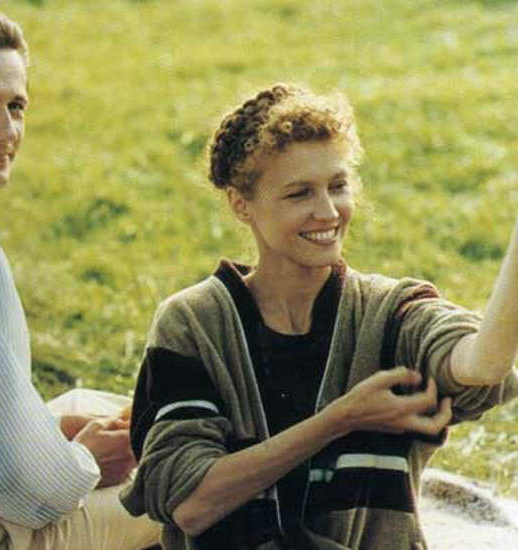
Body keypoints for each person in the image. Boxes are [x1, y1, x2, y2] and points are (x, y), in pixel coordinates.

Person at [120, 83, 518, 550]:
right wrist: (340, 419)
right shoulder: (194, 323)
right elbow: (191, 503)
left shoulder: (390, 313)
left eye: (338, 185)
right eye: (299, 194)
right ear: (241, 204)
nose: (328, 212)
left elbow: (482, 365)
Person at [0, 5, 158, 550]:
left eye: (15, 106)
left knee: (90, 403)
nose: (6, 131)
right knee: (189, 475)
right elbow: (21, 490)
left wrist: (54, 438)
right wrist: (86, 461)